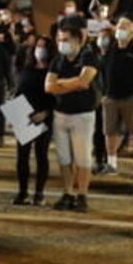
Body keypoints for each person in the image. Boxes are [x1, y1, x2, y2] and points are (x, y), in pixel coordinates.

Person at [46, 22, 100, 211]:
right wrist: (72, 83)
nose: (62, 43)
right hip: (61, 114)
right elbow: (48, 86)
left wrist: (60, 84)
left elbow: (84, 81)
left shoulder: (88, 56)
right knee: (64, 158)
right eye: (60, 39)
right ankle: (68, 192)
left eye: (66, 39)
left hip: (82, 114)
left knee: (82, 157)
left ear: (78, 40)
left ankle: (82, 195)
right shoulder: (57, 60)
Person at [100, 17, 133, 175]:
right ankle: (111, 163)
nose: (121, 30)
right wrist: (104, 92)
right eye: (119, 26)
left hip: (130, 97)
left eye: (125, 27)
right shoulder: (111, 50)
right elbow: (103, 71)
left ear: (132, 32)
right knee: (110, 131)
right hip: (111, 97)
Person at [13, 35, 56, 205]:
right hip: (24, 116)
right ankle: (22, 191)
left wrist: (46, 113)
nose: (40, 49)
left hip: (43, 117)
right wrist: (16, 114)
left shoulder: (53, 71)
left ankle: (39, 193)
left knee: (41, 155)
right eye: (38, 46)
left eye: (43, 46)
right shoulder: (27, 69)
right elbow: (19, 92)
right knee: (22, 157)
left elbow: (55, 97)